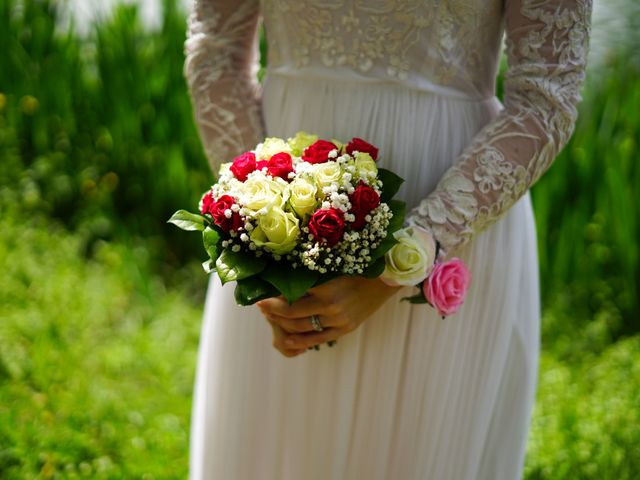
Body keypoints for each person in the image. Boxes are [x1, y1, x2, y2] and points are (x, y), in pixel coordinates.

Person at [184, 0, 591, 478]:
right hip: (282, 218)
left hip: (454, 212)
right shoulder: (271, 228)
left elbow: (546, 97)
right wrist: (261, 225)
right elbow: (215, 57)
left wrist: (409, 255)